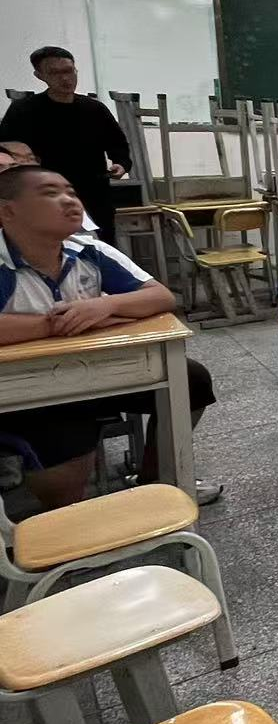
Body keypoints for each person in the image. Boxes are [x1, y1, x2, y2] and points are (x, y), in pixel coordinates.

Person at [0, 166, 220, 510]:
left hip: (96, 369)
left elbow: (161, 297)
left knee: (191, 379)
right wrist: (55, 325)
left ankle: (156, 478)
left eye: (71, 192)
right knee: (66, 440)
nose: (70, 201)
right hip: (23, 387)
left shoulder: (89, 250)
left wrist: (104, 306)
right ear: (7, 211)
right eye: (50, 193)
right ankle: (64, 523)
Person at [0, 47, 132, 241]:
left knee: (100, 249)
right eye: (55, 73)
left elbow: (117, 144)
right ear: (39, 75)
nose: (65, 78)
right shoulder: (23, 111)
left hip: (94, 195)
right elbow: (6, 150)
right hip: (43, 196)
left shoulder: (94, 109)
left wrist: (121, 164)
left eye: (69, 71)